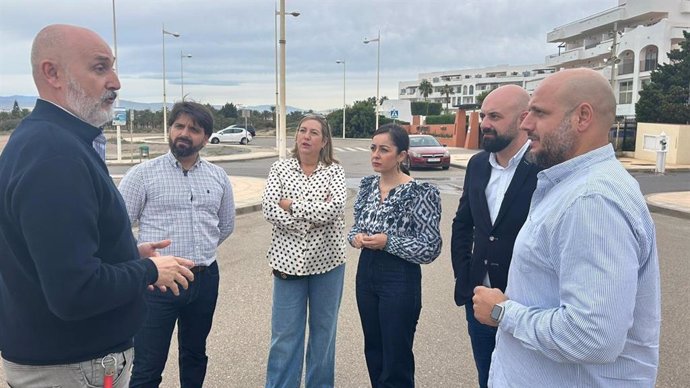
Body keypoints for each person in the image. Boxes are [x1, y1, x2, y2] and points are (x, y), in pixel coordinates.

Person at [0, 24, 194, 388]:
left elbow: (49, 257)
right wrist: (148, 271)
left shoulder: (47, 141)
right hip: (72, 368)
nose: (116, 82)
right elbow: (74, 293)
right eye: (100, 68)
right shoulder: (54, 155)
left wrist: (125, 253)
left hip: (64, 361)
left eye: (113, 67)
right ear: (52, 73)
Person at [472, 68, 661, 387]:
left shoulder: (592, 200)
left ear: (582, 117)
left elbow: (593, 336)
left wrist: (503, 312)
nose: (525, 124)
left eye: (539, 113)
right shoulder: (570, 186)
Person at [118, 101, 235, 387]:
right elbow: (117, 228)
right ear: (170, 130)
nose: (184, 133)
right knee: (148, 365)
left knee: (195, 355)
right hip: (157, 285)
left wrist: (201, 251)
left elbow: (226, 225)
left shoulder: (218, 176)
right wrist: (143, 257)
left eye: (193, 129)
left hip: (204, 279)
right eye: (179, 126)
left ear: (205, 138)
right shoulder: (143, 175)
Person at [450, 85, 540, 387]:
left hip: (527, 308)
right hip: (479, 304)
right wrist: (465, 278)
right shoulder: (477, 165)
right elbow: (463, 224)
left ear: (523, 119)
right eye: (484, 115)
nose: (485, 123)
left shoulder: (544, 166)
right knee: (487, 379)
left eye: (495, 117)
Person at [349, 124, 442, 388]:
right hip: (366, 272)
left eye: (384, 150)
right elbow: (356, 226)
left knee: (396, 356)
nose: (375, 155)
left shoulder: (421, 193)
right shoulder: (367, 186)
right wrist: (355, 238)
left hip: (399, 277)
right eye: (373, 148)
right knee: (374, 350)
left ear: (401, 156)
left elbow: (430, 247)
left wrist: (388, 242)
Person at [262, 114, 347, 388]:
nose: (306, 136)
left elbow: (334, 209)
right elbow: (269, 207)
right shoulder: (280, 169)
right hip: (288, 265)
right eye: (302, 131)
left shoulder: (335, 171)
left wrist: (292, 205)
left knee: (324, 335)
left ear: (324, 141)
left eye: (313, 132)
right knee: (285, 337)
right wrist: (307, 222)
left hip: (328, 265)